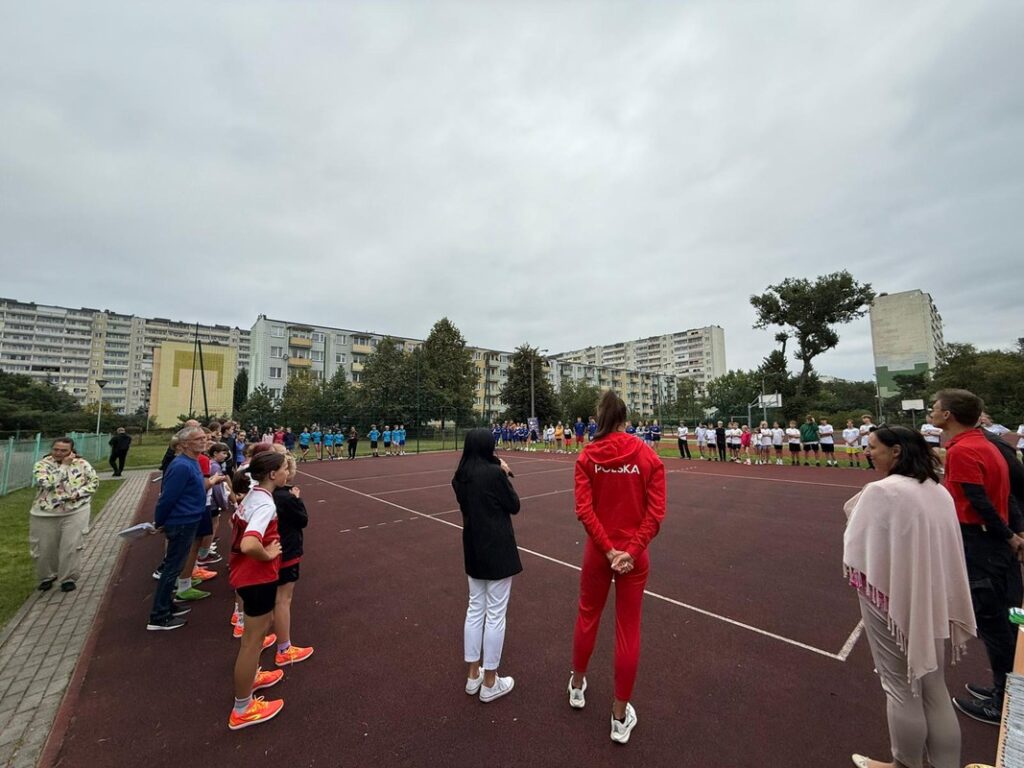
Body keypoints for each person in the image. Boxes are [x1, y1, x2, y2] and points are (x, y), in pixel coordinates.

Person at [844, 425, 975, 768]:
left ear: (896, 451)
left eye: (873, 447)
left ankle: (905, 763)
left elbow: (857, 542)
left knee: (900, 686)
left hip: (891, 597)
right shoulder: (937, 490)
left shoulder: (882, 491)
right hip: (932, 595)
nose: (868, 452)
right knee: (934, 686)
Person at [569, 390, 666, 745]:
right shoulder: (647, 455)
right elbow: (655, 514)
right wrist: (629, 550)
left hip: (599, 553)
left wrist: (609, 550)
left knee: (587, 616)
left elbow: (585, 510)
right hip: (632, 557)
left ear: (599, 418)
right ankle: (619, 714)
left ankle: (577, 684)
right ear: (625, 419)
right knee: (628, 629)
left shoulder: (588, 456)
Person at [929, 389, 1024, 725]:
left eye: (935, 408)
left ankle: (1003, 699)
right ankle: (1006, 688)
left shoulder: (965, 450)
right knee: (1006, 619)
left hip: (981, 544)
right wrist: (1013, 533)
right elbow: (1006, 497)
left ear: (949, 415)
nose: (930, 412)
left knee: (995, 623)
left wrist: (1008, 535)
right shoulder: (985, 444)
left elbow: (979, 502)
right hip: (992, 544)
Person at [452, 428, 522, 703]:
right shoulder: (493, 475)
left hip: (473, 547)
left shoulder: (460, 477)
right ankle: (490, 680)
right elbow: (514, 505)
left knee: (475, 609)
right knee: (495, 614)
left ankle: (473, 675)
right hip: (498, 549)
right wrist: (502, 472)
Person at [228, 451, 289, 730]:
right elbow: (249, 544)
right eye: (285, 468)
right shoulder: (264, 505)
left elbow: (235, 526)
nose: (288, 472)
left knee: (254, 637)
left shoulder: (252, 495)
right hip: (256, 577)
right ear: (273, 474)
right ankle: (243, 707)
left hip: (245, 575)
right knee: (253, 641)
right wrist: (267, 553)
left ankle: (251, 676)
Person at [148, 426, 208, 630]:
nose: (203, 441)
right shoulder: (181, 465)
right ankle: (159, 615)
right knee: (172, 568)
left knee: (176, 566)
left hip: (189, 519)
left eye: (204, 438)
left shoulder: (191, 462)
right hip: (181, 520)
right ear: (184, 444)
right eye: (198, 439)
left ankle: (167, 605)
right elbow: (168, 497)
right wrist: (160, 521)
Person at [29, 438, 99, 592]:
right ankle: (47, 576)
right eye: (56, 450)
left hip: (75, 510)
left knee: (71, 546)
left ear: (71, 451)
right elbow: (47, 483)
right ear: (51, 449)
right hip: (45, 512)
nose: (59, 453)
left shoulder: (82, 464)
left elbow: (94, 482)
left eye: (63, 451)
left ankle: (67, 578)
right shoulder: (42, 465)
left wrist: (79, 493)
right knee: (45, 548)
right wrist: (64, 466)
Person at [272, 453, 314, 667]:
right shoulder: (286, 498)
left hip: (275, 549)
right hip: (286, 549)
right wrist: (297, 499)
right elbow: (303, 520)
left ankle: (271, 637)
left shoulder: (265, 494)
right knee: (283, 599)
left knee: (274, 597)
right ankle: (284, 649)